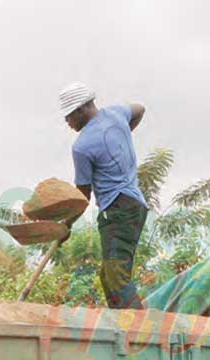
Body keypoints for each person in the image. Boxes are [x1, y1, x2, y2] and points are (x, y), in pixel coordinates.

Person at [58, 82, 148, 309]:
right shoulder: (117, 115)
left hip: (116, 209)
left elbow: (82, 196)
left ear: (80, 110)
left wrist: (65, 226)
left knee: (116, 276)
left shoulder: (82, 146)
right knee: (108, 276)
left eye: (69, 116)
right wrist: (125, 134)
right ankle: (120, 325)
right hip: (136, 205)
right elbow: (139, 109)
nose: (67, 122)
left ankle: (138, 332)